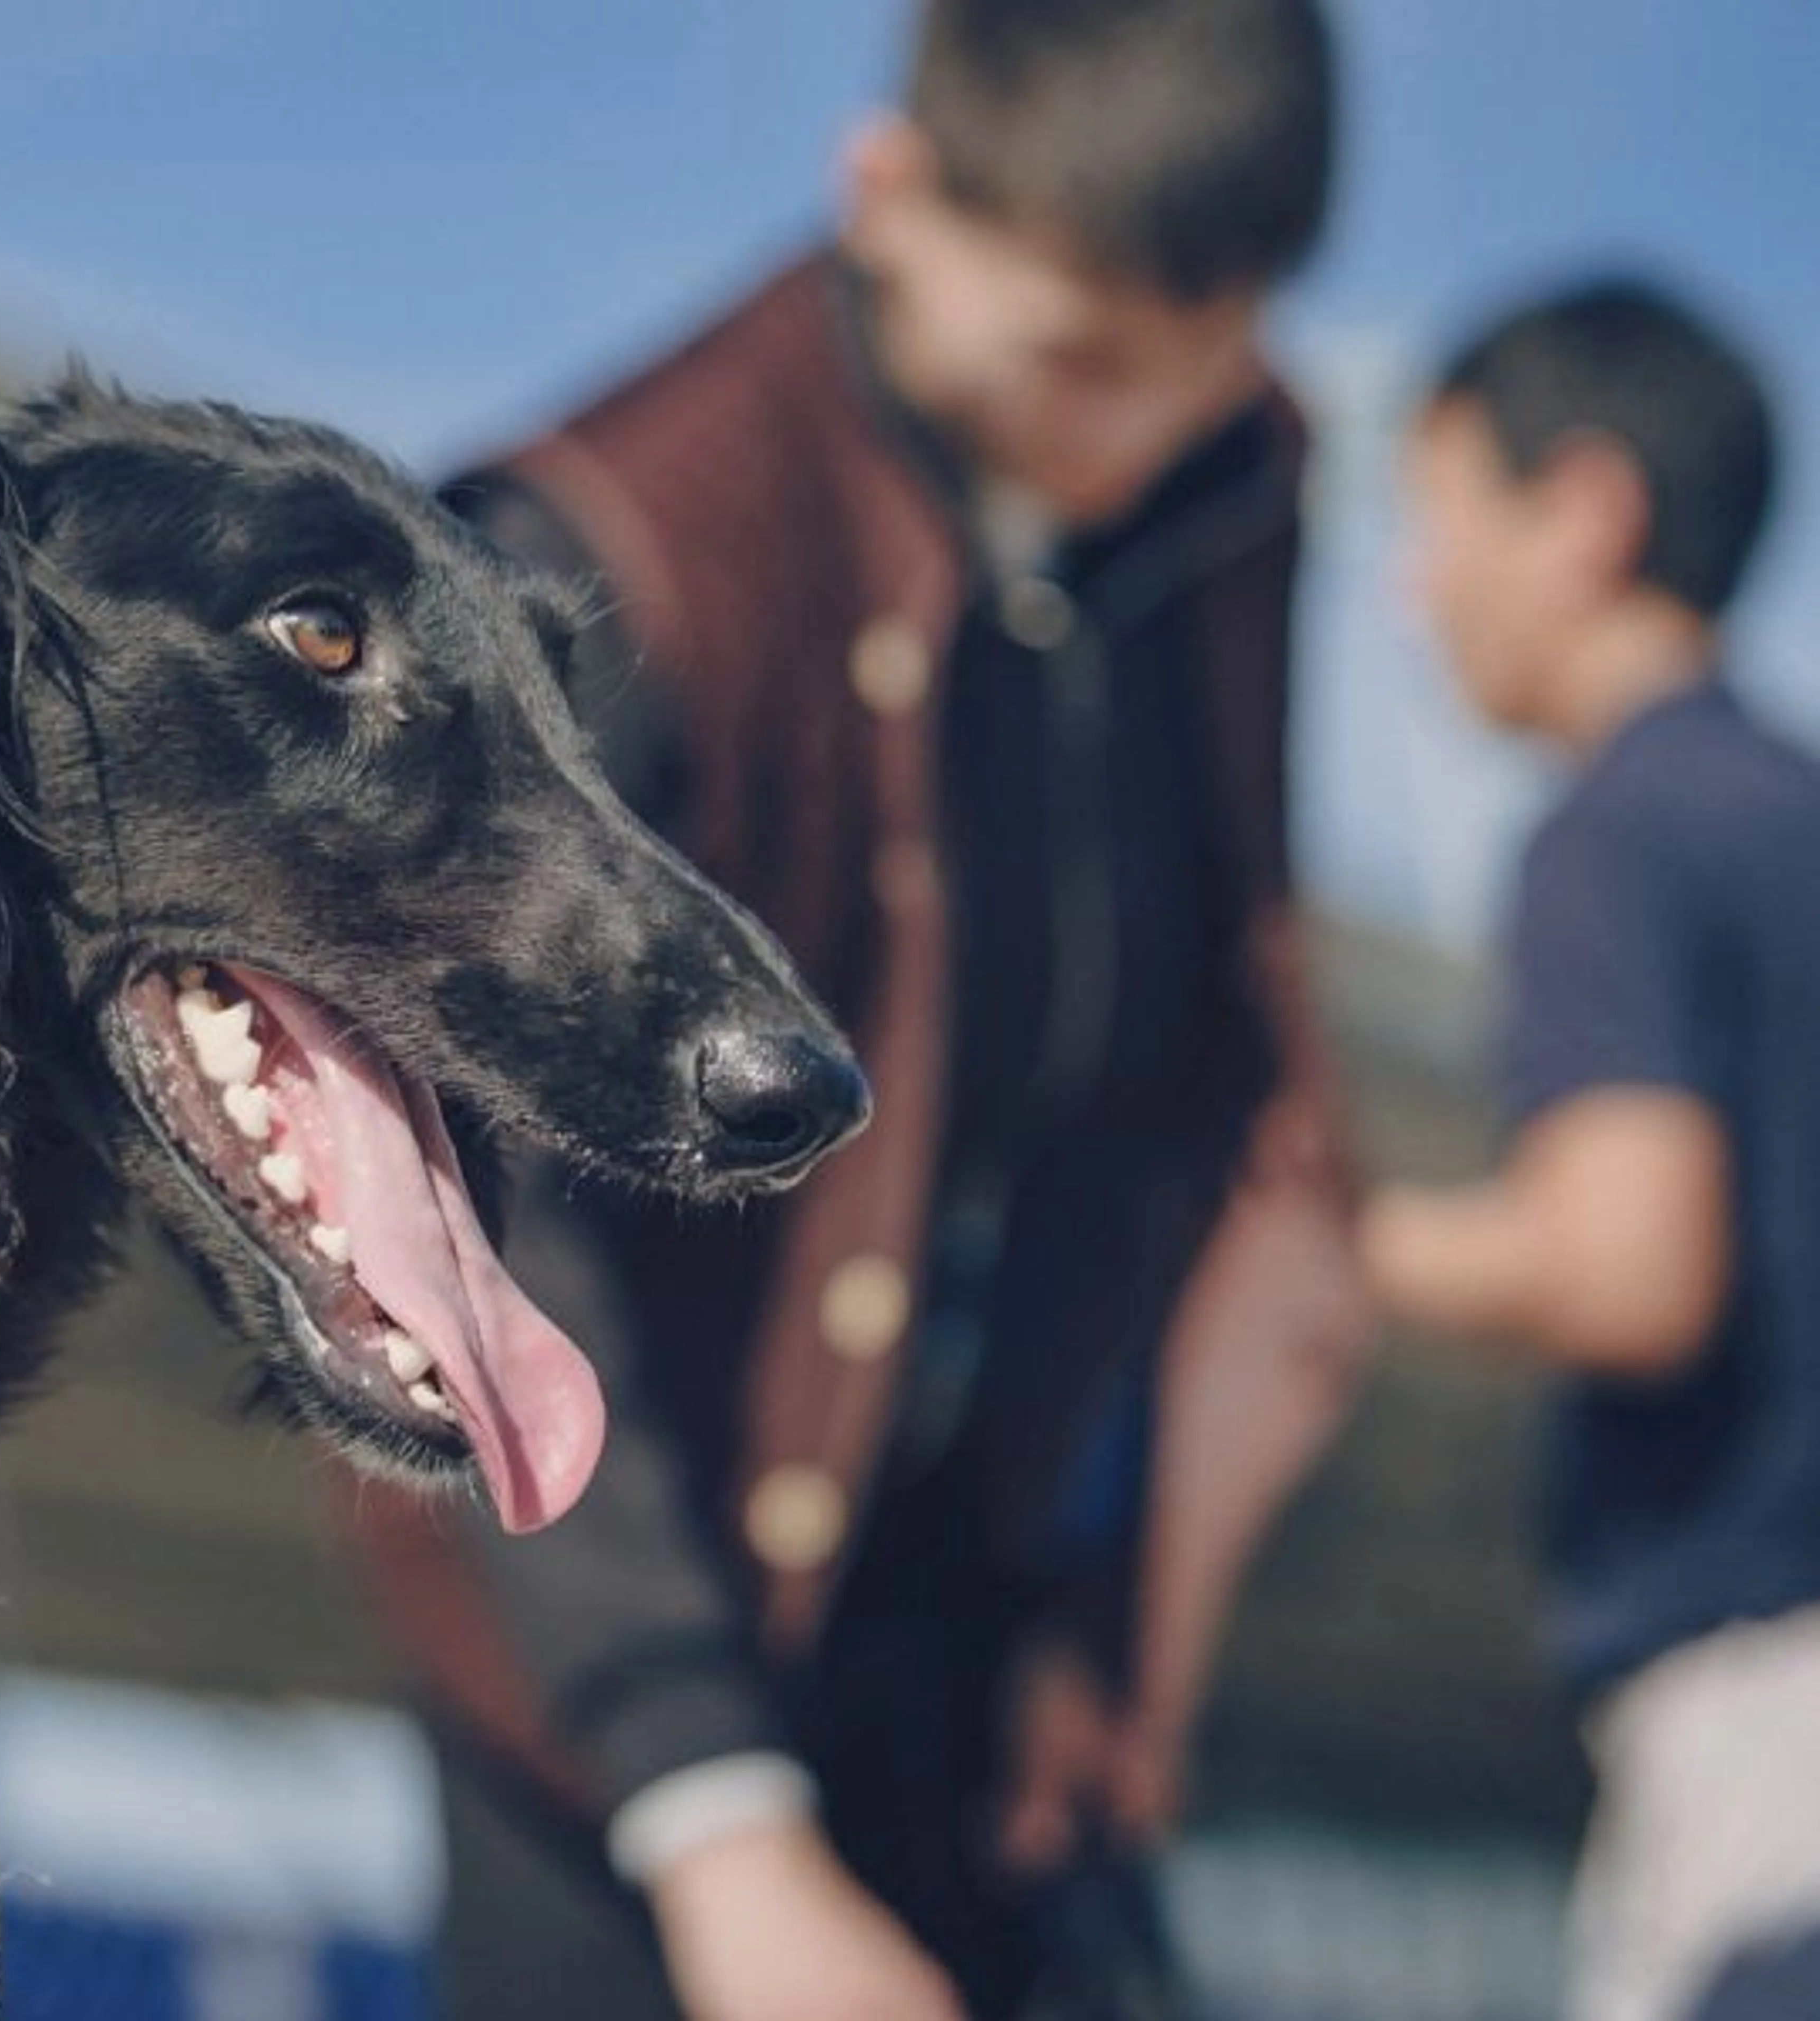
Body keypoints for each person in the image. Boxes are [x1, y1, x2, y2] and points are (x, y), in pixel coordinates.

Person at [352, 3, 1374, 2015]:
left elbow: (1188, 1081)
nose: (1135, 438)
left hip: (985, 1655)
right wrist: (717, 1819)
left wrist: (1104, 1624)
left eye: (1203, 370)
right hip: (625, 1680)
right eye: (1081, 359)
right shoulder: (601, 562)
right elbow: (461, 1223)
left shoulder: (1230, 477)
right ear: (888, 195)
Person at [1362, 279, 1813, 2021]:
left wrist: (1324, 1239)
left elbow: (1630, 1271)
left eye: (1440, 520)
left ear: (1587, 516)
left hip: (1768, 1719)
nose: (1416, 590)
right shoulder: (1791, 817)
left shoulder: (1615, 836)